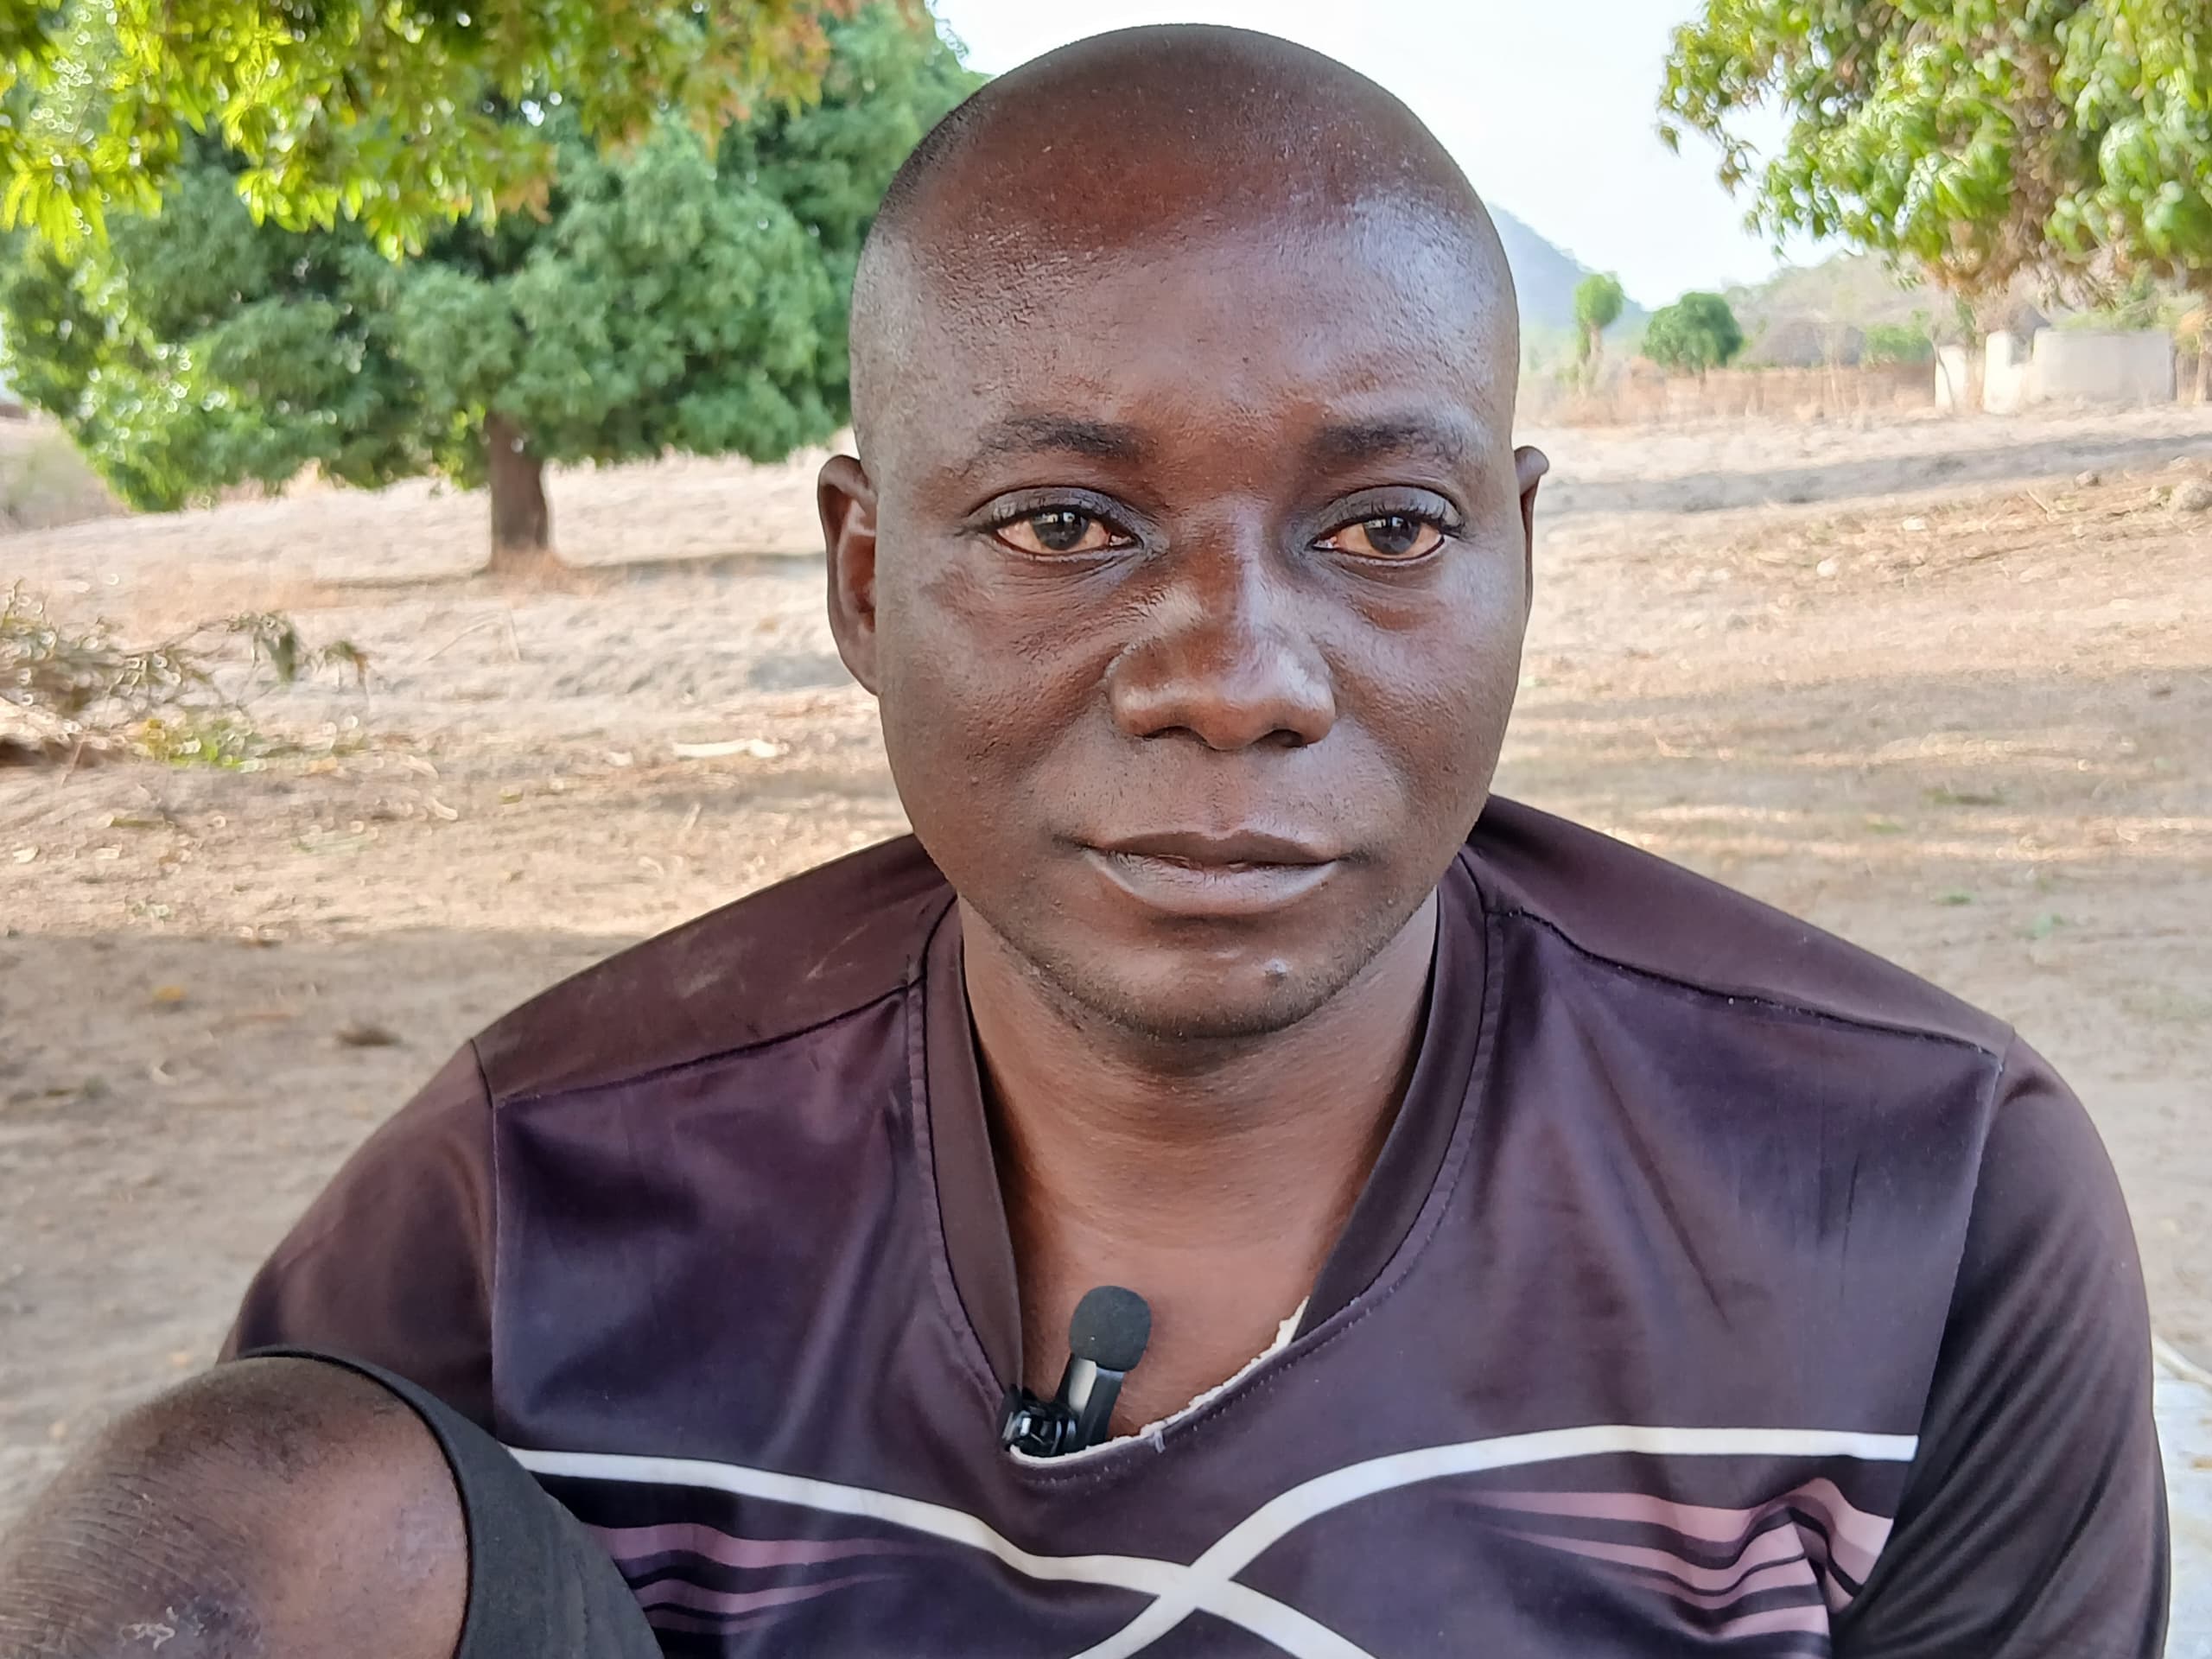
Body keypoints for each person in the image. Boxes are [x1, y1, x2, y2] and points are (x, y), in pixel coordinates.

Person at [0, 24, 2166, 1659]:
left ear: (1517, 555)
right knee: (227, 1520)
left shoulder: (1907, 1195)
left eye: (1382, 529)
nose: (1236, 675)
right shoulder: (543, 1199)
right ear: (862, 577)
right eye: (1065, 524)